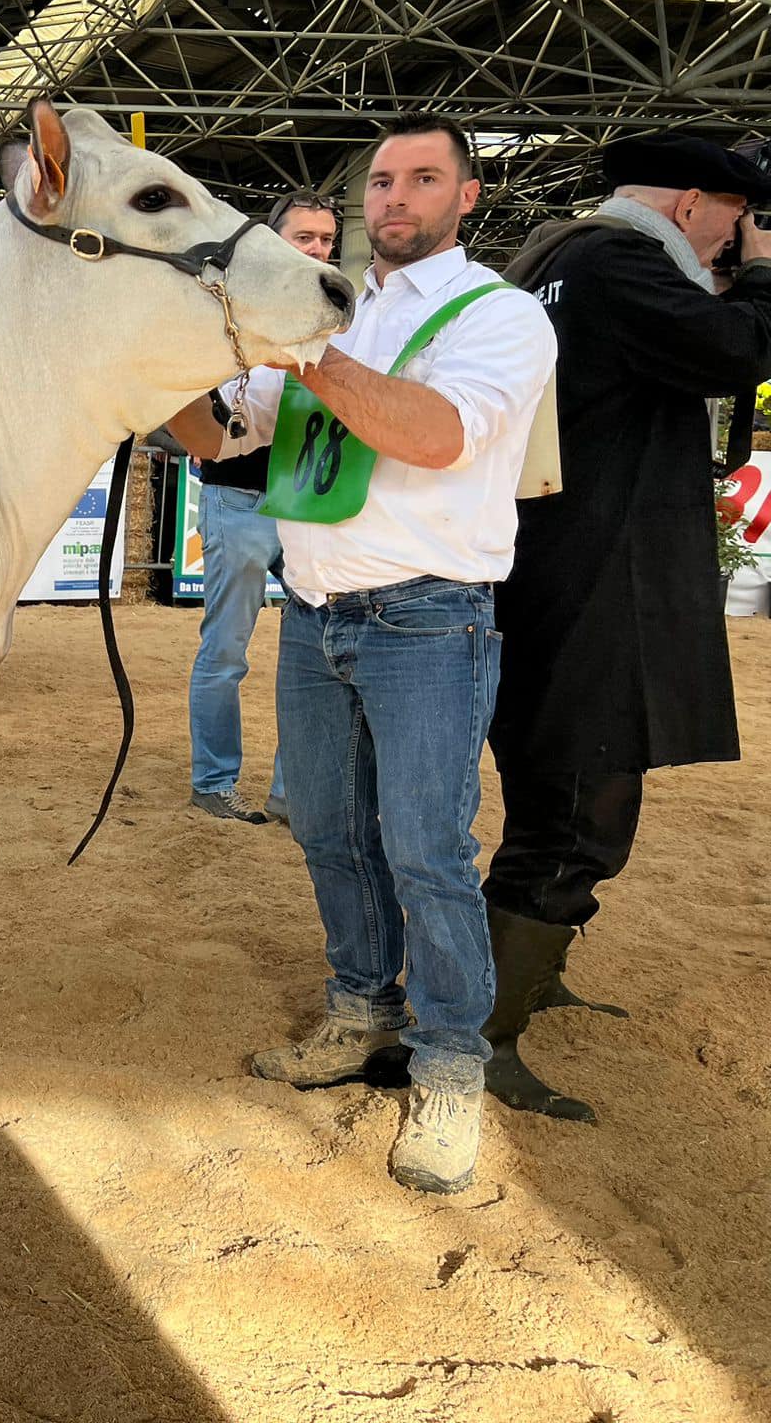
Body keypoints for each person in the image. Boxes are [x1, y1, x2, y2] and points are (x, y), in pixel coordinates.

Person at [166, 113, 558, 1194]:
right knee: (331, 833)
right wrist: (148, 353)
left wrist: (310, 354)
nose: (393, 199)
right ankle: (357, 1014)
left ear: (465, 198)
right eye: (379, 182)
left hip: (429, 616)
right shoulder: (327, 309)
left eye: (420, 179)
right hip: (317, 611)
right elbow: (214, 434)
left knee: (426, 848)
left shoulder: (502, 315)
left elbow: (434, 435)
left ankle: (446, 1066)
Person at [482, 133, 771, 1123]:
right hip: (600, 585)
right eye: (733, 218)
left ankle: (530, 979)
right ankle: (484, 1034)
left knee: (559, 793)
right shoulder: (618, 262)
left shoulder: (555, 256)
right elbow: (736, 350)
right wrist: (766, 278)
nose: (735, 239)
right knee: (576, 813)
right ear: (691, 202)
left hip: (563, 572)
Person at [188, 189, 339, 825]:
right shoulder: (227, 313)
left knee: (313, 656)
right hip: (240, 499)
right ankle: (214, 781)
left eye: (327, 240)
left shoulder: (335, 316)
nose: (318, 249)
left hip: (306, 505)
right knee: (227, 651)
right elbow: (205, 420)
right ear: (272, 241)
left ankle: (290, 792)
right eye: (304, 238)